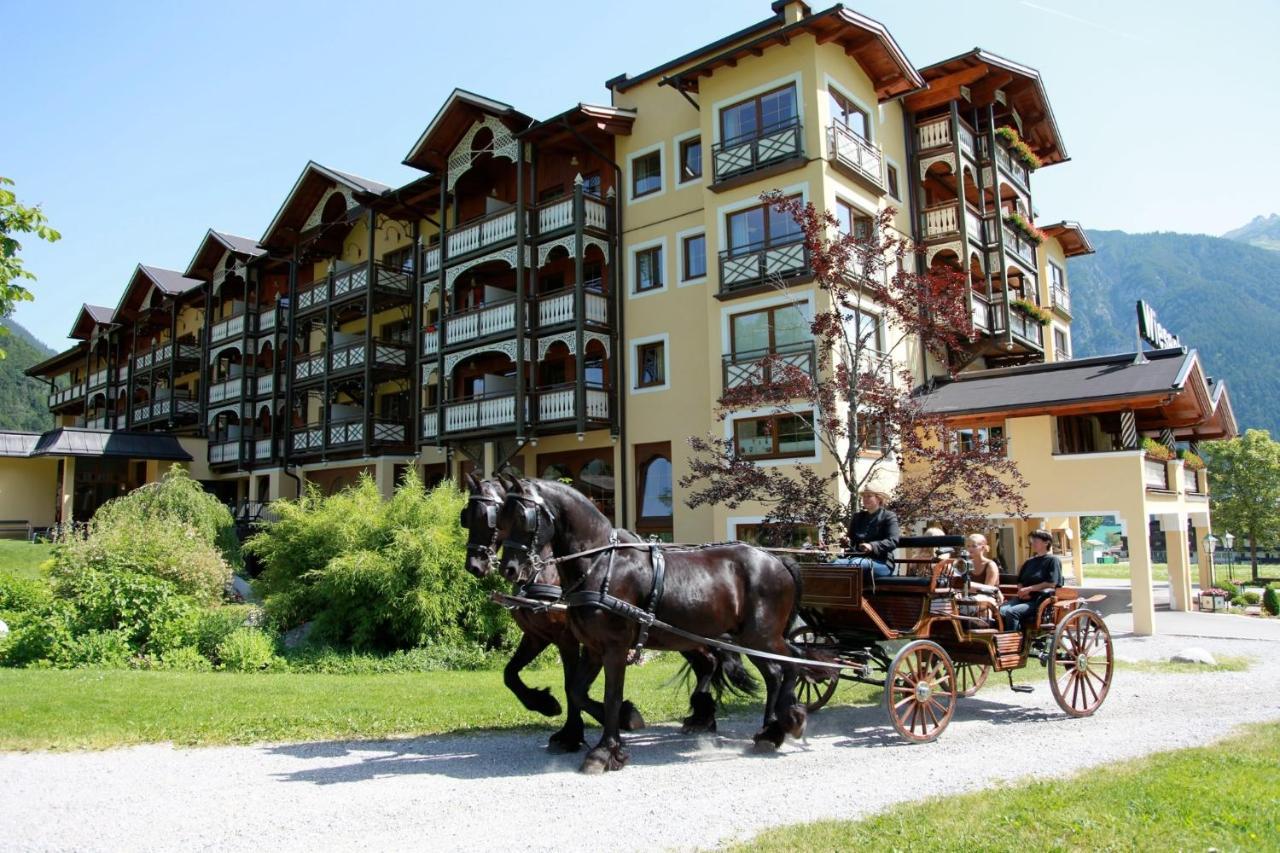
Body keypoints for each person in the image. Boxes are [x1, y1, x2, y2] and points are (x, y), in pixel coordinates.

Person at [998, 529, 1063, 633]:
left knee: (1012, 612)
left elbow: (1052, 583)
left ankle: (1013, 643)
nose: (1032, 543)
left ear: (1046, 542)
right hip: (1023, 598)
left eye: (1036, 540)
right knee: (1000, 610)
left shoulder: (1053, 560)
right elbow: (1020, 581)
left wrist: (1029, 589)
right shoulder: (1029, 562)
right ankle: (1005, 638)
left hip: (1040, 601)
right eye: (1032, 540)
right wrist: (1022, 592)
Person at [841, 489, 900, 577]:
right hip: (856, 559)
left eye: (869, 496)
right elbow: (851, 540)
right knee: (834, 563)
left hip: (882, 563)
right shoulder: (858, 517)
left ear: (879, 499)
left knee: (855, 564)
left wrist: (872, 546)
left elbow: (892, 541)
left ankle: (852, 590)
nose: (865, 499)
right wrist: (846, 541)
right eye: (864, 496)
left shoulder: (889, 516)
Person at [958, 533, 1003, 621]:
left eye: (974, 546)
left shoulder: (990, 565)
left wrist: (967, 590)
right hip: (968, 599)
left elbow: (987, 590)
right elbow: (960, 584)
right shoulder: (966, 563)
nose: (970, 549)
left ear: (982, 547)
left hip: (988, 598)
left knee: (983, 609)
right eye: (968, 546)